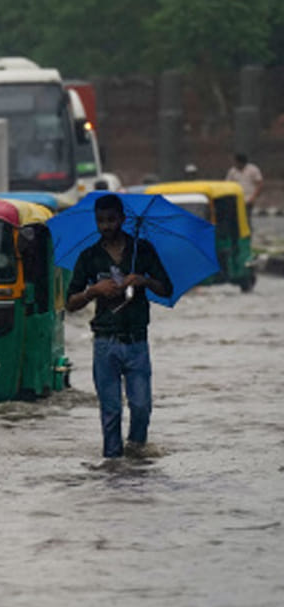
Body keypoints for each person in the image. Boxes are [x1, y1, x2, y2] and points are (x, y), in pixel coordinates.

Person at [66, 193, 174, 459]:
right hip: (105, 342)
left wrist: (143, 281)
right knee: (111, 410)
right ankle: (112, 465)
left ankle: (136, 455)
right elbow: (70, 303)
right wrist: (93, 290)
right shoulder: (89, 257)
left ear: (123, 219)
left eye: (111, 220)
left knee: (141, 406)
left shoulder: (142, 250)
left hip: (137, 341)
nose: (106, 226)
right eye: (101, 221)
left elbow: (166, 288)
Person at [226, 152, 263, 225]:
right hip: (235, 200)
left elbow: (259, 184)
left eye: (236, 162)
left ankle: (248, 232)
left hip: (248, 199)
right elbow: (227, 184)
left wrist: (253, 197)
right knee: (235, 220)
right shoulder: (232, 171)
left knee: (246, 219)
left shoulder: (253, 170)